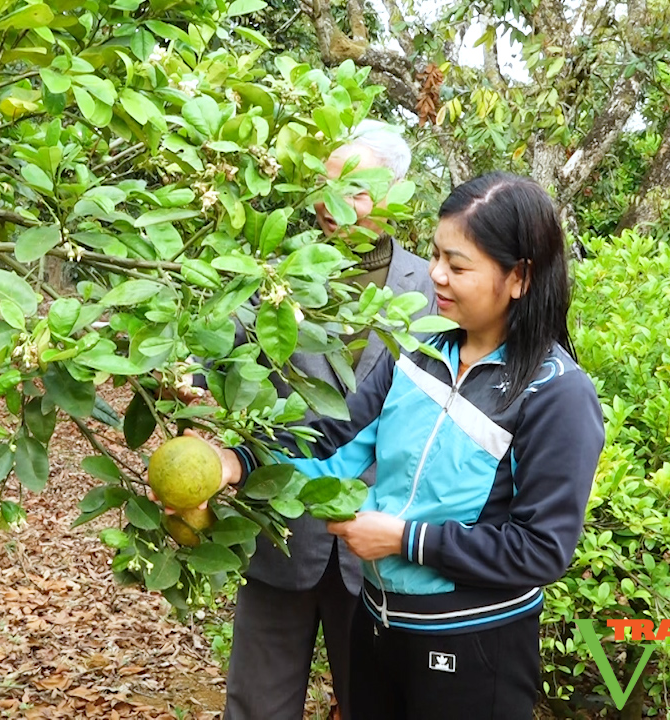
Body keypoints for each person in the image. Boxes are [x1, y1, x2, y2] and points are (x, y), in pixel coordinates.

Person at [209, 173, 606, 719]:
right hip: (379, 626)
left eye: (459, 265)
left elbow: (540, 550)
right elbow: (334, 439)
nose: (436, 276)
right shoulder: (418, 353)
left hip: (473, 646)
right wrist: (236, 462)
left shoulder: (555, 392)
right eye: (436, 255)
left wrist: (405, 540)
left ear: (519, 277)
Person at [221, 120, 435, 720]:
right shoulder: (274, 277)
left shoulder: (434, 288)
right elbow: (219, 355)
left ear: (393, 194)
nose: (330, 203)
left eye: (356, 189)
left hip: (381, 549)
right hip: (280, 532)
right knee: (257, 707)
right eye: (324, 184)